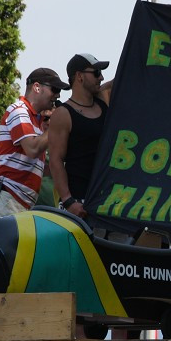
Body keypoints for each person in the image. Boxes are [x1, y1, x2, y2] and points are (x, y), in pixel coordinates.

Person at [0, 68, 68, 221]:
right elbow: (32, 148)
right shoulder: (19, 110)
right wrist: (57, 124)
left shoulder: (38, 121)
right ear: (37, 87)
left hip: (16, 202)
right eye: (55, 89)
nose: (58, 95)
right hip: (7, 198)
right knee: (2, 246)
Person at [49, 53, 112, 219]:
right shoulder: (63, 114)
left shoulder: (102, 101)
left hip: (107, 200)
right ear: (79, 76)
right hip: (79, 203)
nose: (101, 77)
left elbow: (122, 78)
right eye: (97, 72)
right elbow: (56, 160)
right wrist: (69, 201)